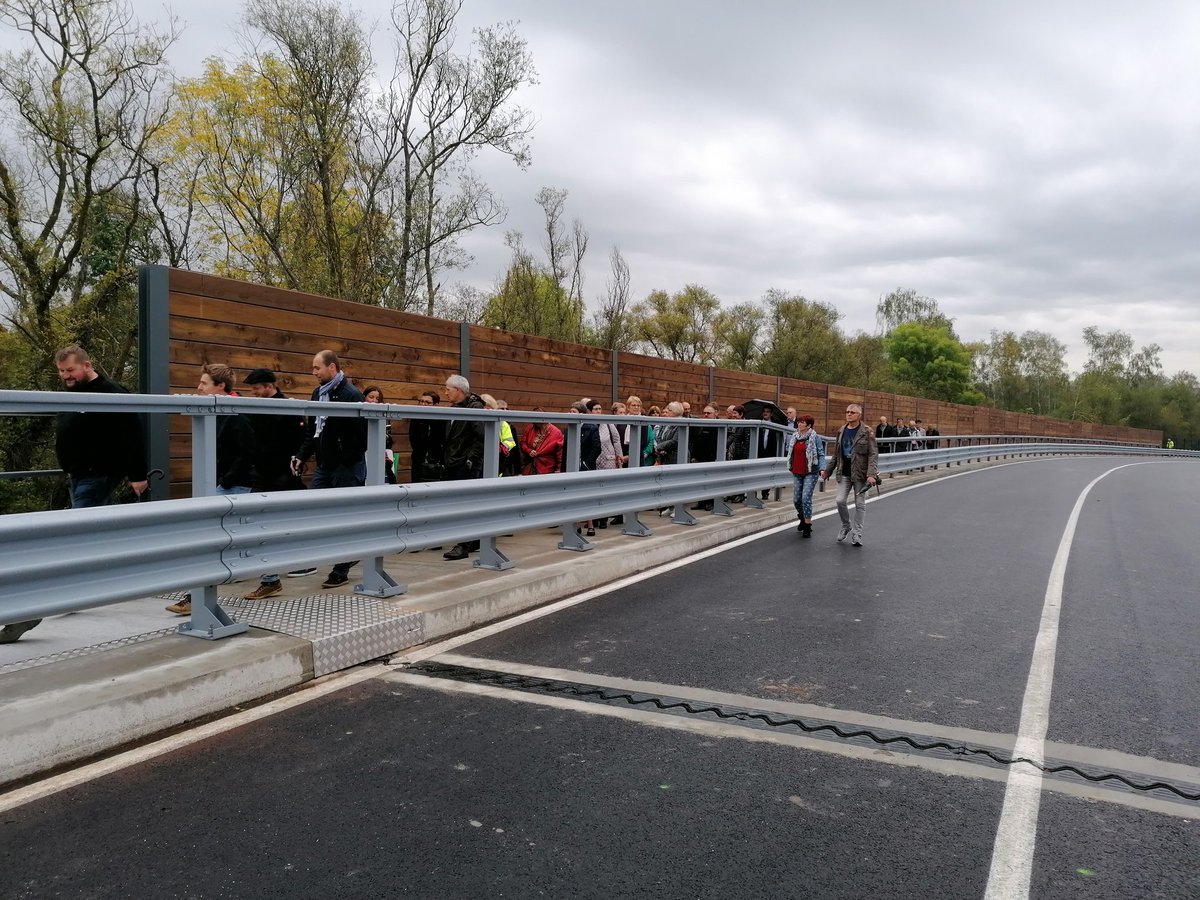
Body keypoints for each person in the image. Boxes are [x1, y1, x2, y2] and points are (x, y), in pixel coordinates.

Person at [2, 346, 149, 644]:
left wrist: (137, 474)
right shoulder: (71, 393)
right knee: (92, 537)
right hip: (78, 475)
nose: (65, 376)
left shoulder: (111, 393)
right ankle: (78, 590)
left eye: (70, 370)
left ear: (86, 365)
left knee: (71, 539)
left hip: (99, 475)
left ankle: (32, 610)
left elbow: (133, 435)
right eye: (61, 371)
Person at [166, 364, 257, 616]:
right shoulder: (216, 411)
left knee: (208, 539)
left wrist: (227, 480)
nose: (198, 387)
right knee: (236, 539)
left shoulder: (238, 413)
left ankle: (195, 598)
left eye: (204, 383)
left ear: (220, 386)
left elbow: (247, 451)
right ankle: (270, 578)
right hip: (224, 483)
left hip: (234, 485)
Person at [292, 351, 367, 588]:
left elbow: (360, 437)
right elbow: (313, 431)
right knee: (315, 511)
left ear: (332, 368)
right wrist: (302, 456)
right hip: (325, 465)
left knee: (344, 518)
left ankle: (341, 567)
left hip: (345, 467)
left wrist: (344, 461)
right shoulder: (319, 393)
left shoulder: (351, 394)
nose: (313, 373)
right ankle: (315, 558)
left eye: (317, 368)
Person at [241, 368, 315, 599]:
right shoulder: (257, 407)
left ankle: (299, 562)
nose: (254, 393)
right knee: (260, 521)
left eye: (256, 389)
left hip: (282, 473)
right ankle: (270, 576)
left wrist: (298, 459)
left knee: (285, 520)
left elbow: (304, 437)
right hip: (263, 473)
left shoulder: (287, 407)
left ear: (268, 386)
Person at [440, 374, 486, 561]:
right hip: (453, 463)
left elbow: (480, 437)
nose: (445, 392)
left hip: (466, 465)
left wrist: (470, 460)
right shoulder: (455, 408)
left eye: (448, 389)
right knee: (458, 505)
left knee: (465, 506)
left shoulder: (475, 408)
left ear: (458, 390)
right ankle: (472, 540)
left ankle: (463, 544)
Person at [821, 403, 879, 547]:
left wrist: (871, 474)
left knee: (860, 504)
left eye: (852, 412)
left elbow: (873, 454)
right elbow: (836, 454)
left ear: (859, 415)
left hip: (861, 474)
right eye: (847, 412)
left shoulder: (867, 431)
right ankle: (846, 525)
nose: (849, 414)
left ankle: (857, 534)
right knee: (840, 500)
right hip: (844, 472)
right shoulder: (841, 430)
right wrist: (828, 470)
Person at [790, 415, 824, 538]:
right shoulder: (794, 437)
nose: (799, 424)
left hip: (811, 472)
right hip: (797, 471)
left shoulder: (815, 437)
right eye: (799, 422)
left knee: (805, 498)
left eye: (802, 422)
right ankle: (803, 518)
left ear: (809, 425)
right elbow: (790, 453)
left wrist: (822, 468)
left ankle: (807, 526)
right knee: (796, 500)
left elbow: (820, 454)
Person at [409, 390, 445, 483]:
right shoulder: (415, 419)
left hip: (436, 462)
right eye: (421, 401)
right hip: (418, 460)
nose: (423, 404)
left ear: (436, 405)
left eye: (427, 402)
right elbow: (413, 440)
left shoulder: (441, 420)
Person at [481, 393, 520, 476]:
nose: (505, 411)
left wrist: (500, 448)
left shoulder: (504, 424)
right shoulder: (476, 422)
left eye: (506, 409)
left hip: (500, 463)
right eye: (502, 409)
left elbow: (513, 445)